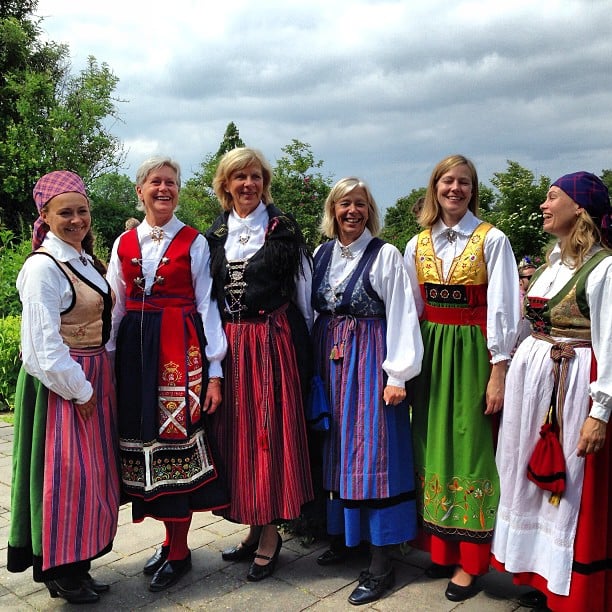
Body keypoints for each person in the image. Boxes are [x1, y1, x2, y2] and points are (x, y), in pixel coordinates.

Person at [106, 157, 228, 592]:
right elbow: (116, 307)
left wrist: (215, 373)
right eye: (155, 182)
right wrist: (109, 363)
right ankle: (167, 539)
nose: (164, 189)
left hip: (179, 350)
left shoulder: (195, 242)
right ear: (139, 190)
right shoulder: (124, 241)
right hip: (136, 353)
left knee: (175, 441)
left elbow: (208, 305)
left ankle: (179, 550)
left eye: (171, 183)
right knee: (143, 443)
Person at [491, 172, 612, 612]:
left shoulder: (604, 269)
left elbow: (611, 344)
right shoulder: (550, 264)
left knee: (567, 483)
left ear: (579, 208)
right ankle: (542, 578)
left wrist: (600, 412)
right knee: (530, 477)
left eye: (552, 197)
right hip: (535, 386)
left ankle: (570, 590)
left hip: (572, 387)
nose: (544, 205)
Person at [403, 154, 520, 602]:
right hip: (432, 353)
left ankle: (471, 563)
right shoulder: (417, 244)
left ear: (473, 190)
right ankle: (441, 547)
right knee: (431, 445)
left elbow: (504, 307)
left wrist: (499, 369)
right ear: (435, 187)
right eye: (448, 181)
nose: (456, 189)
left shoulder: (492, 240)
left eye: (465, 183)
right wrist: (407, 364)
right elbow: (411, 310)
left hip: (473, 352)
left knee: (471, 450)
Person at [7, 171, 120, 604]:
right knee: (63, 476)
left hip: (91, 376)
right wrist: (81, 390)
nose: (76, 219)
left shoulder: (84, 260)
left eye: (82, 210)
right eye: (65, 212)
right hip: (61, 386)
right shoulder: (42, 268)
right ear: (45, 215)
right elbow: (42, 348)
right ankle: (58, 571)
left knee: (88, 477)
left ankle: (78, 565)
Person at [311, 177, 423, 605]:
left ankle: (382, 560)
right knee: (339, 450)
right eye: (344, 205)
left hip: (372, 361)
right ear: (333, 210)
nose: (352, 212)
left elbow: (402, 313)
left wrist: (398, 375)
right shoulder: (322, 253)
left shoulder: (386, 255)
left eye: (359, 204)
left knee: (373, 452)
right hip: (331, 361)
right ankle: (345, 540)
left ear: (369, 210)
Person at [205, 147, 314, 582]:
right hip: (232, 345)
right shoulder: (214, 234)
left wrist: (307, 353)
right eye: (239, 177)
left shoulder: (282, 230)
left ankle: (270, 534)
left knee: (267, 434)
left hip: (271, 342)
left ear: (264, 182)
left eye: (255, 176)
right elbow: (208, 301)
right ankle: (254, 528)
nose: (248, 184)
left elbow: (303, 296)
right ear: (225, 185)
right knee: (239, 436)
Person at [515, 256, 538, 346]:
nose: (534, 279)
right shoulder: (516, 299)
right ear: (520, 280)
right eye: (530, 277)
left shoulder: (536, 295)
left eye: (537, 276)